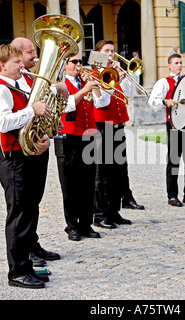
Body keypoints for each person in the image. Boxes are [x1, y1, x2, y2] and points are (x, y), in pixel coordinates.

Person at [0, 44, 54, 289]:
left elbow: (27, 123)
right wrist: (31, 110)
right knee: (17, 215)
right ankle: (16, 272)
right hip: (12, 159)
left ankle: (26, 265)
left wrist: (41, 137)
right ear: (3, 65)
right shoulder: (0, 89)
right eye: (17, 62)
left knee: (28, 211)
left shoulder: (18, 85)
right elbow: (4, 123)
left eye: (21, 61)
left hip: (25, 155)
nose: (22, 65)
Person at [9, 37, 62, 266]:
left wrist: (51, 127)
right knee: (24, 205)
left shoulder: (32, 80)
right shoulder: (9, 84)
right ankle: (24, 253)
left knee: (34, 201)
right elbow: (11, 121)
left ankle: (32, 244)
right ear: (18, 55)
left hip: (38, 150)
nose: (35, 56)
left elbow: (42, 113)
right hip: (20, 152)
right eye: (31, 52)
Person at [54, 53, 106, 241]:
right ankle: (72, 226)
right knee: (69, 185)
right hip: (67, 138)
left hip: (88, 137)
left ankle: (86, 223)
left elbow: (102, 103)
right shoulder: (58, 85)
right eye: (74, 62)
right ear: (65, 65)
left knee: (87, 182)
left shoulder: (86, 82)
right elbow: (65, 107)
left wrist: (95, 86)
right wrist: (84, 89)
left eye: (80, 61)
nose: (78, 65)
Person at [148, 54, 185, 207]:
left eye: (180, 63)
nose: (179, 65)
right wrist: (165, 102)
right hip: (173, 125)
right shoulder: (164, 82)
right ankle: (172, 195)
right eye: (176, 63)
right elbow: (152, 101)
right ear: (169, 66)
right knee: (174, 161)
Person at [92, 39, 135, 229]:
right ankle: (100, 215)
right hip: (102, 127)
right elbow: (101, 102)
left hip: (118, 126)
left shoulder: (114, 73)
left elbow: (130, 94)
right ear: (99, 53)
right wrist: (114, 79)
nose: (111, 54)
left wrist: (125, 78)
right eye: (107, 50)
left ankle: (114, 211)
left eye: (112, 50)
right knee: (103, 175)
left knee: (118, 172)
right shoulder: (95, 75)